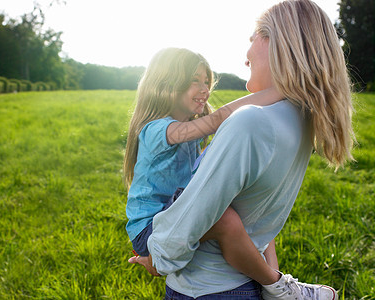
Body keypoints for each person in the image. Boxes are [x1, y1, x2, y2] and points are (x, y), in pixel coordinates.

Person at [130, 0, 354, 299]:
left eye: (252, 37)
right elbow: (263, 225)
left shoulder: (250, 122)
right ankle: (280, 287)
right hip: (245, 283)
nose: (246, 54)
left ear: (273, 41)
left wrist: (159, 258)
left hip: (206, 289)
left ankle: (280, 286)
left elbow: (199, 214)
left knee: (225, 220)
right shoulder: (300, 119)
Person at [124, 47, 285, 288]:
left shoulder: (187, 127)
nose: (204, 90)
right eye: (194, 81)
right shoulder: (156, 129)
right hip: (150, 229)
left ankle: (274, 272)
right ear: (166, 85)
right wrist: (282, 90)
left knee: (248, 203)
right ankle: (275, 284)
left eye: (206, 82)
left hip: (173, 215)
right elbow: (217, 120)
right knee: (228, 220)